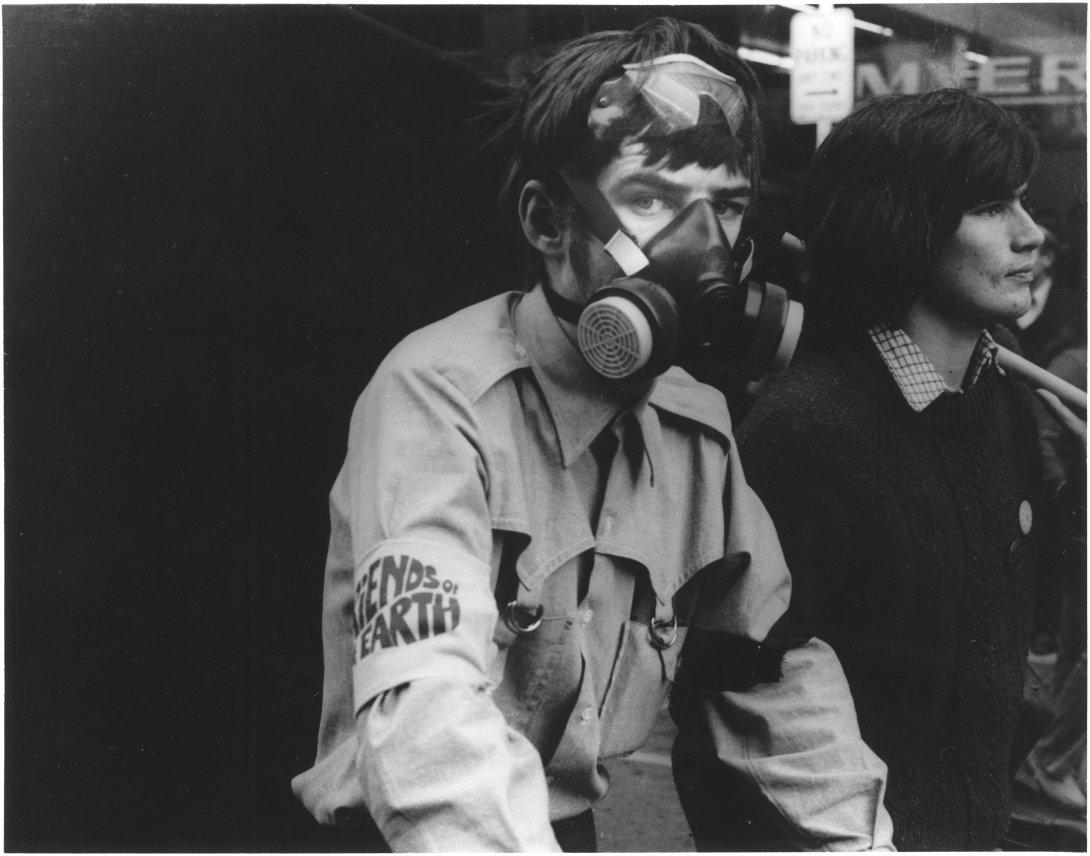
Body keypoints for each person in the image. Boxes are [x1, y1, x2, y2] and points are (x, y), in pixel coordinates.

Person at [291, 17, 894, 852]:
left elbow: (771, 673)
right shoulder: (438, 396)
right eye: (650, 200)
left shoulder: (696, 426)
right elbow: (427, 717)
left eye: (726, 207)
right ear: (548, 223)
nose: (706, 252)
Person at [734, 88, 1084, 850]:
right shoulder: (807, 431)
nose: (1031, 235)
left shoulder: (1002, 399)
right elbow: (744, 707)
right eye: (993, 207)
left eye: (1024, 202)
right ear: (903, 226)